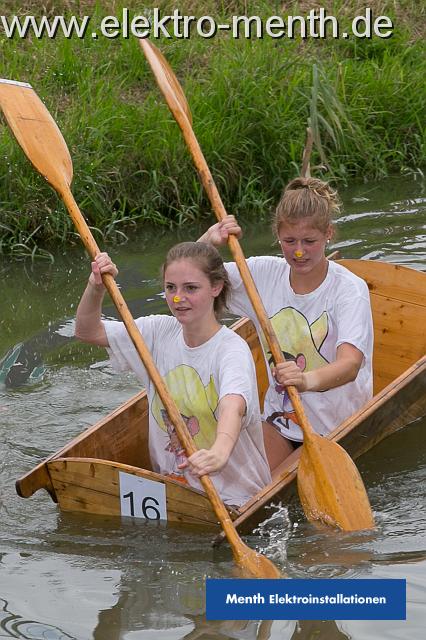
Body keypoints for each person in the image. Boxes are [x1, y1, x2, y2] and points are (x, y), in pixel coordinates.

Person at [74, 241, 271, 507]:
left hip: (234, 499)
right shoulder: (156, 332)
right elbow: (88, 331)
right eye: (170, 288)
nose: (178, 298)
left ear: (216, 287)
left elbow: (232, 406)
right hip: (172, 495)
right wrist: (95, 287)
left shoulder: (231, 350)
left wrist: (219, 453)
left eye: (190, 288)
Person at [198, 177, 374, 472]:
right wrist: (207, 243)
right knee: (246, 488)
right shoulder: (262, 274)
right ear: (278, 235)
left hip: (335, 426)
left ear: (328, 234)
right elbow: (192, 285)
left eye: (309, 242)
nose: (299, 252)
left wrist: (305, 381)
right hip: (280, 421)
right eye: (289, 242)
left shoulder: (349, 290)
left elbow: (350, 364)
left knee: (274, 489)